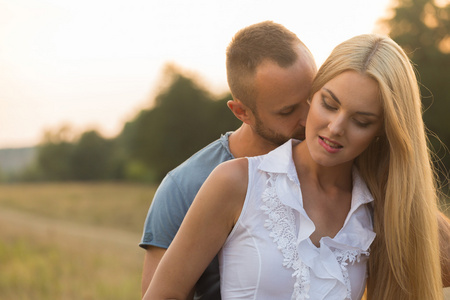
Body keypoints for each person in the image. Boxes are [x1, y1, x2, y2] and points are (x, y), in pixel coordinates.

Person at [143, 34, 449, 300]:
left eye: (361, 121)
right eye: (328, 104)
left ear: (383, 130)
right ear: (312, 96)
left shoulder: (381, 207)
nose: (336, 127)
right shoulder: (235, 181)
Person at [139, 21, 317, 299]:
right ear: (241, 112)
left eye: (313, 97)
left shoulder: (332, 165)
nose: (310, 118)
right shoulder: (184, 187)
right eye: (287, 111)